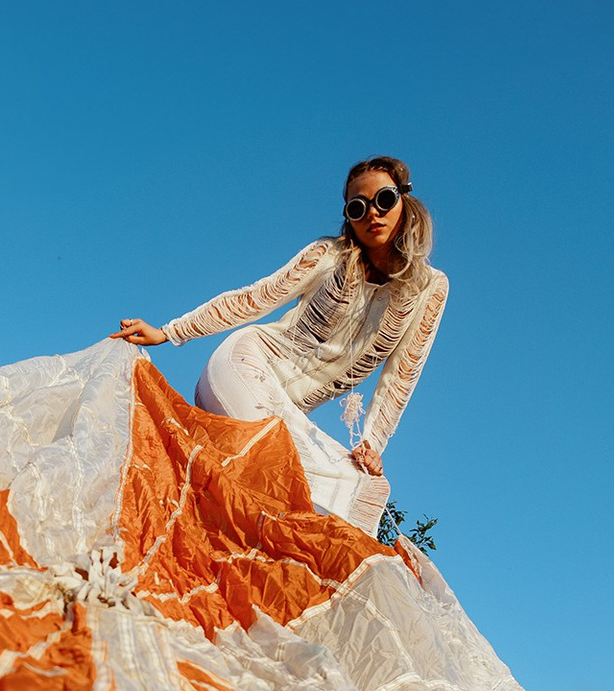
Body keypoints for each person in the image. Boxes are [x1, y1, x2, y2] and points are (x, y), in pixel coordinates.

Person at [119, 155, 447, 529]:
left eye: (384, 200)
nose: (373, 213)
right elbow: (254, 298)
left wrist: (372, 443)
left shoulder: (430, 289)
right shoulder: (328, 255)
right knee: (278, 460)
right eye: (358, 207)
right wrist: (169, 331)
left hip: (286, 410)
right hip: (244, 365)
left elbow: (401, 376)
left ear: (405, 201)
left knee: (359, 484)